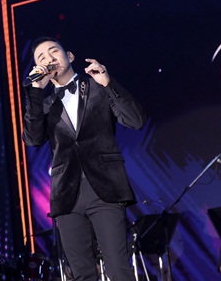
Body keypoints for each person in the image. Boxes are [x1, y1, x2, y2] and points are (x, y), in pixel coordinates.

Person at [22, 36, 147, 280]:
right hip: (66, 195)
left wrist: (108, 83)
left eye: (53, 52)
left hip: (105, 188)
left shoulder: (97, 87)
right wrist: (35, 92)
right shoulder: (44, 105)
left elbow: (136, 120)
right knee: (81, 274)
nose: (49, 59)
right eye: (42, 58)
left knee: (118, 269)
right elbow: (33, 139)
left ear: (69, 56)